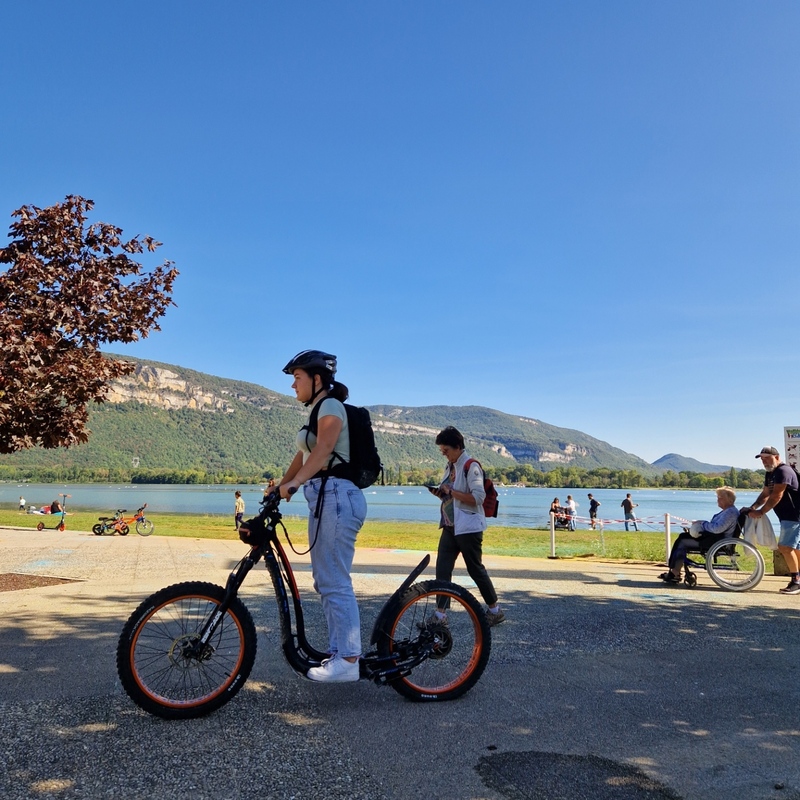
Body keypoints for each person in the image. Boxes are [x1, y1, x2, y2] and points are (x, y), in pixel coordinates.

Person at [272, 350, 367, 682]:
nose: (293, 385)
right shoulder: (315, 411)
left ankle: (350, 660)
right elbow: (304, 456)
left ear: (317, 379)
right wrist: (280, 487)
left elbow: (324, 449)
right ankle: (339, 652)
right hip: (327, 497)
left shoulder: (330, 407)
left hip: (339, 495)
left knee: (335, 579)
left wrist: (295, 484)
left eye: (297, 378)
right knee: (325, 580)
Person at [430, 426, 505, 626]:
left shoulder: (471, 466)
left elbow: (478, 497)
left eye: (446, 450)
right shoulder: (451, 466)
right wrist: (441, 493)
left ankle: (494, 610)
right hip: (450, 525)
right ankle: (440, 615)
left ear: (457, 446)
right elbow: (452, 494)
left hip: (469, 528)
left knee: (475, 568)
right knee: (442, 568)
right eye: (442, 451)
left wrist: (452, 491)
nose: (444, 454)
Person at [745, 446, 800, 595]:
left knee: (785, 547)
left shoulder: (783, 471)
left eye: (766, 458)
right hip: (787, 516)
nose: (764, 461)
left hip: (794, 516)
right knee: (794, 549)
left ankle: (796, 581)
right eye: (762, 459)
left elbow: (776, 495)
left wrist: (761, 512)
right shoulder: (770, 473)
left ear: (776, 456)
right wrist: (753, 507)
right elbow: (765, 493)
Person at [658, 486, 739, 583]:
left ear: (729, 500)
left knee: (682, 541)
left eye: (720, 497)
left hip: (716, 542)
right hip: (714, 539)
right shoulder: (728, 511)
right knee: (683, 537)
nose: (717, 499)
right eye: (718, 497)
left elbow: (717, 529)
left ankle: (674, 572)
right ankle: (675, 571)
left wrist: (702, 524)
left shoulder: (730, 513)